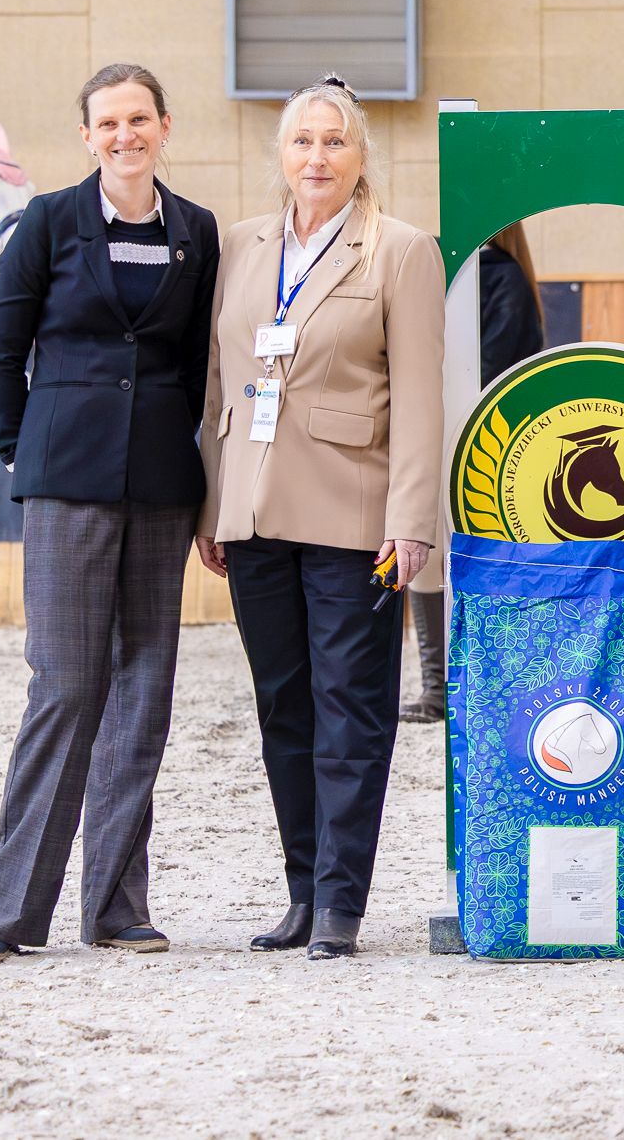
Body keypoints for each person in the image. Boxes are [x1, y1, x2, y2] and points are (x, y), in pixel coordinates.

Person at [0, 67, 220, 965]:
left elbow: (196, 368)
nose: (124, 135)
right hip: (64, 483)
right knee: (67, 685)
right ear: (85, 134)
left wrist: (205, 490)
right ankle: (7, 909)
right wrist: (15, 453)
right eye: (107, 122)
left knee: (143, 694)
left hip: (159, 485)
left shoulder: (196, 232)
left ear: (164, 125)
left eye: (138, 119)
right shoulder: (47, 223)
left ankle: (116, 905)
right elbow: (3, 350)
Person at [198, 76, 446, 960]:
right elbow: (220, 382)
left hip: (356, 517)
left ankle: (342, 903)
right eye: (303, 141)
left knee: (353, 708)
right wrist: (211, 502)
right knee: (284, 708)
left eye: (335, 141)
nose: (317, 157)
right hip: (254, 511)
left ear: (362, 156)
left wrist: (412, 518)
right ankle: (302, 891)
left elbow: (422, 397)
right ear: (281, 153)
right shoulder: (241, 246)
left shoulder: (403, 250)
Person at [402, 221, 542, 723]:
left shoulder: (498, 277)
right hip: (447, 428)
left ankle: (454, 686)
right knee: (425, 547)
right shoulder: (459, 271)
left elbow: (496, 362)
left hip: (472, 435)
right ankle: (439, 685)